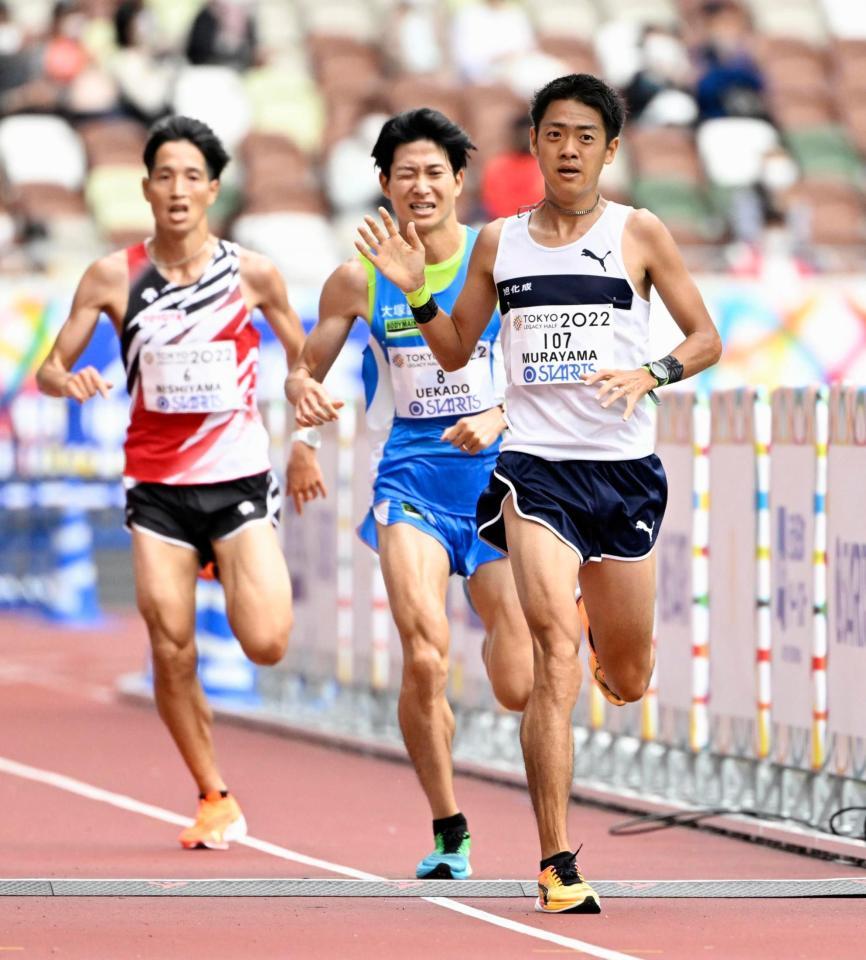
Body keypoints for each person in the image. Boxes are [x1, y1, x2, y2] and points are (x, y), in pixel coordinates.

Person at [355, 74, 722, 913]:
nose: (568, 150)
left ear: (610, 149)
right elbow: (454, 350)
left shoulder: (640, 232)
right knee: (553, 652)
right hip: (534, 470)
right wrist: (417, 290)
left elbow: (706, 338)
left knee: (627, 676)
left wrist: (652, 372)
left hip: (622, 472)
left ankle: (603, 639)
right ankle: (557, 863)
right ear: (534, 144)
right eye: (553, 134)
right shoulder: (500, 242)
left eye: (585, 136)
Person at [36, 115, 326, 850]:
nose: (177, 189)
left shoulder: (254, 273)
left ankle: (227, 561)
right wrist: (69, 381)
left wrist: (305, 433)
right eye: (164, 175)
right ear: (145, 188)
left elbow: (306, 364)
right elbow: (50, 368)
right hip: (156, 488)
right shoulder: (113, 275)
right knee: (171, 649)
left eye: (191, 176)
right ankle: (213, 794)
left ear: (213, 189)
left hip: (236, 482)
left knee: (267, 642)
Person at [286, 108, 533, 881]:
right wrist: (302, 414)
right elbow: (305, 370)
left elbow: (546, 374)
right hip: (410, 482)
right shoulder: (357, 278)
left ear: (459, 181)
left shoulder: (499, 261)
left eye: (434, 173)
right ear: (385, 185)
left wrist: (497, 415)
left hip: (497, 487)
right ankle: (449, 826)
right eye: (405, 175)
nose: (420, 187)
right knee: (424, 656)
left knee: (518, 682)